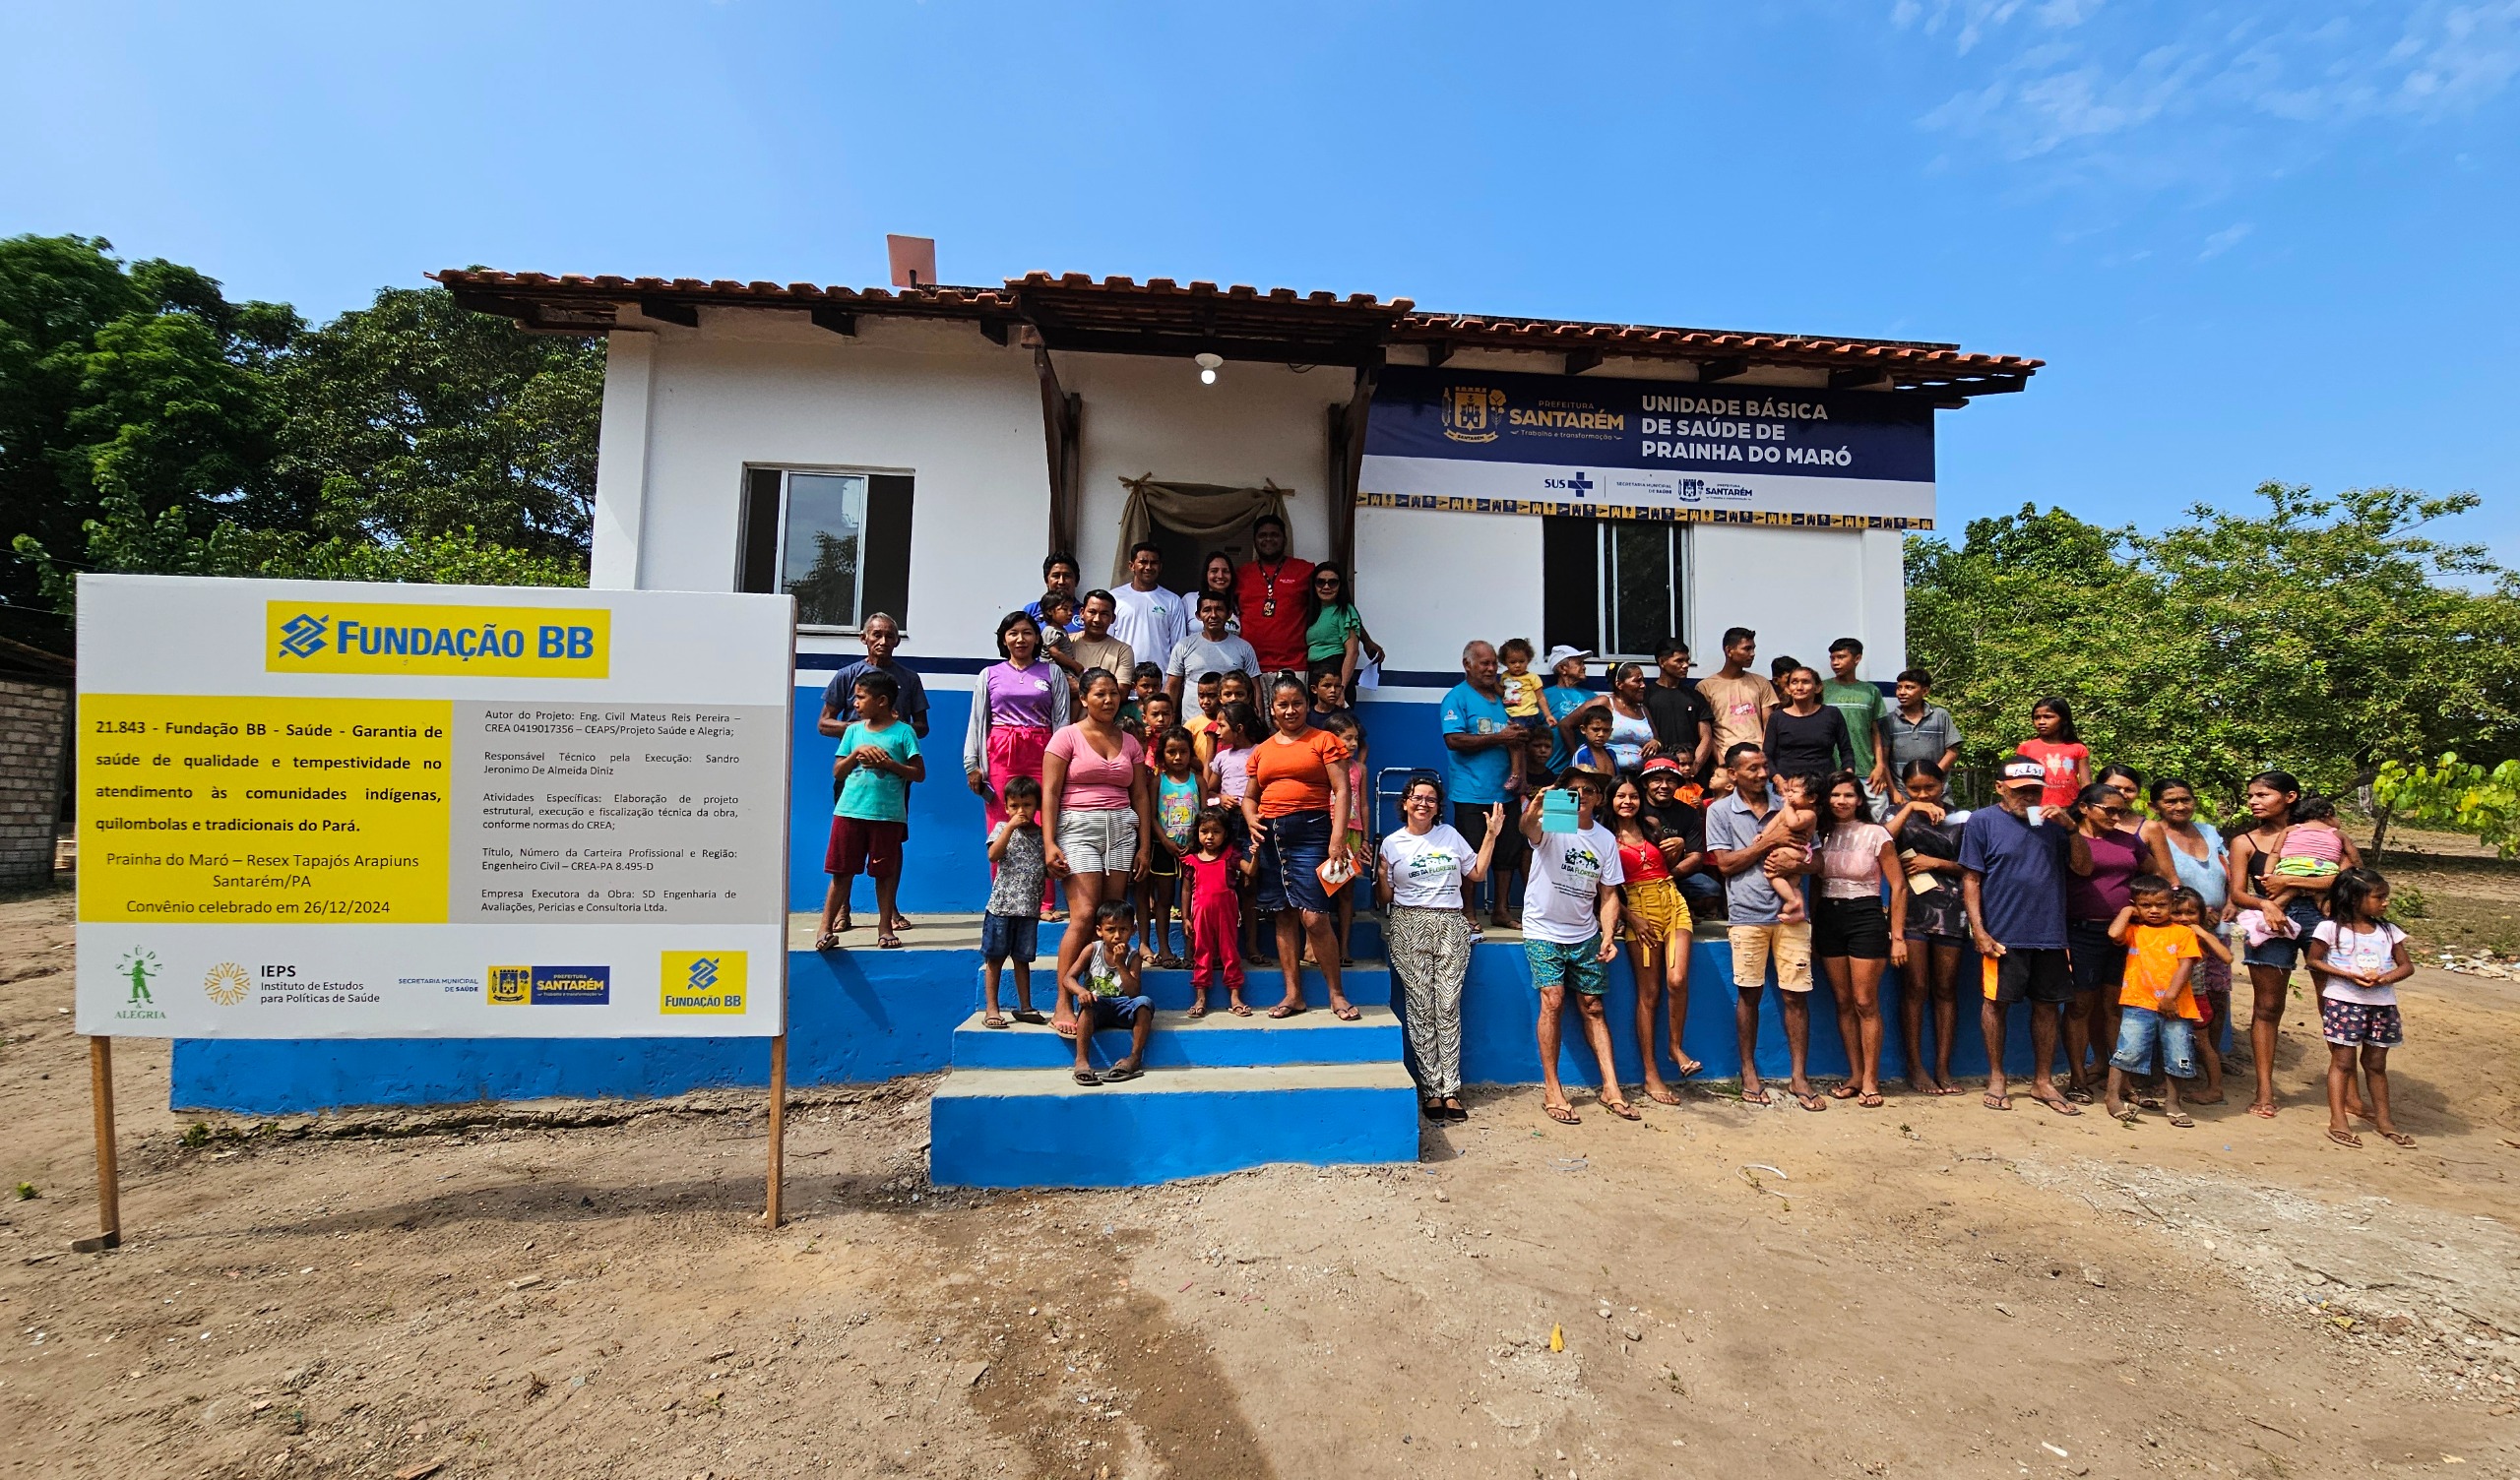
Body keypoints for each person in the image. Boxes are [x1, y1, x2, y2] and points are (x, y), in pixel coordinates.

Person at [1962, 754, 2094, 1116]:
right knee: (1996, 1005)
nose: (2028, 797)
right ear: (2000, 788)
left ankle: (2043, 1081)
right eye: (2019, 790)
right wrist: (1979, 930)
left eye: (2035, 791)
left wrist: (2071, 828)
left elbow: (2083, 868)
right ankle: (1997, 1078)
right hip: (2002, 935)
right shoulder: (1982, 821)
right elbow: (1971, 878)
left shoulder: (2054, 824)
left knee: (2048, 1007)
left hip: (2050, 933)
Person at [2227, 771, 2361, 1119]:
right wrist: (2267, 905)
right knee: (2267, 1007)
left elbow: (2350, 877)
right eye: (2251, 796)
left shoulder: (2325, 835)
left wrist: (2287, 881)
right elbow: (2238, 894)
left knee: (2334, 1004)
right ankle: (2264, 1091)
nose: (2253, 802)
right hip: (2272, 920)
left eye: (2262, 795)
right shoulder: (2245, 842)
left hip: (2322, 920)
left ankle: (2351, 1094)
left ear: (2290, 797)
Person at [1703, 743, 1821, 1110]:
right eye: (1752, 768)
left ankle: (1799, 1076)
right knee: (1749, 995)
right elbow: (1725, 865)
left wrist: (1793, 865)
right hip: (1746, 914)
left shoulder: (1791, 804)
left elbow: (1817, 862)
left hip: (1792, 916)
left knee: (1796, 996)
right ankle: (1748, 1072)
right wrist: (1769, 843)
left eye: (1764, 766)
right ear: (1733, 774)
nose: (1762, 774)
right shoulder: (1719, 811)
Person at [1377, 774, 1501, 1122]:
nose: (1423, 803)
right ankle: (1432, 1089)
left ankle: (1451, 1089)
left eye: (1431, 799)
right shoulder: (1392, 844)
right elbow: (1384, 897)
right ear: (1405, 803)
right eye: (1417, 797)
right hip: (1409, 923)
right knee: (1420, 1006)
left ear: (1438, 806)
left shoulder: (1449, 835)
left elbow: (1477, 873)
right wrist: (1381, 874)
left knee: (1447, 1005)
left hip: (1450, 922)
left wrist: (1491, 835)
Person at [1516, 771, 1635, 1125]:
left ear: (1599, 798)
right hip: (1542, 928)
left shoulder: (1605, 839)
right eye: (1573, 790)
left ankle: (1611, 1087)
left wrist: (1608, 935)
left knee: (1593, 1006)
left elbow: (1609, 893)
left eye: (1588, 790)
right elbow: (1527, 829)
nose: (1581, 795)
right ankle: (1553, 1089)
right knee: (1552, 999)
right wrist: (1536, 807)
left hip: (1585, 932)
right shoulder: (1554, 824)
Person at [1041, 668, 1155, 1038]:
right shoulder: (1066, 737)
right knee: (1085, 914)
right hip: (1078, 829)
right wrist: (1049, 843)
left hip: (1121, 830)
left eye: (1114, 694)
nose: (1108, 700)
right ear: (1084, 698)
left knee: (1112, 915)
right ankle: (1063, 1001)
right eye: (1100, 694)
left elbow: (1140, 796)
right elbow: (1050, 793)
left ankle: (1107, 996)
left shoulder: (1131, 742)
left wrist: (1144, 846)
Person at [1241, 674, 1356, 1019]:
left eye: (1297, 703)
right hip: (1272, 838)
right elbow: (1249, 797)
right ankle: (1294, 995)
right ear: (1272, 709)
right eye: (1283, 705)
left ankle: (1337, 994)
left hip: (1312, 833)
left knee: (1315, 917)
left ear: (1307, 705)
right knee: (1283, 915)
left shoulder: (1324, 740)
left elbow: (1342, 790)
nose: (1290, 710)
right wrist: (1250, 818)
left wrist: (1338, 838)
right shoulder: (1262, 750)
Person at [1809, 771, 1907, 1107]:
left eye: (1848, 795)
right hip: (1829, 917)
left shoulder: (1876, 834)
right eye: (1835, 795)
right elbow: (1816, 886)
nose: (1841, 801)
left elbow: (1898, 886)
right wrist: (1812, 929)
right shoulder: (1819, 834)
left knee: (1865, 1001)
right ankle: (1854, 1074)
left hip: (1866, 916)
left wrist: (1897, 936)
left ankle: (1870, 1080)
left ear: (1860, 800)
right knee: (1843, 1001)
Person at [963, 612, 1072, 914]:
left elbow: (1062, 720)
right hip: (1001, 754)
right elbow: (977, 721)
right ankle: (1003, 902)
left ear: (1037, 638)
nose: (1020, 639)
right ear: (1004, 639)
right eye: (1013, 633)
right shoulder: (989, 675)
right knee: (1003, 824)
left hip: (1043, 751)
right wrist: (972, 764)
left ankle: (1045, 902)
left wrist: (1062, 760)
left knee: (1044, 824)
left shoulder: (1052, 673)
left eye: (1027, 633)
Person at [2305, 867, 2416, 1148]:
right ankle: (2338, 1120)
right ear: (2355, 899)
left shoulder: (2389, 931)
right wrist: (2346, 975)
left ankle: (2385, 1121)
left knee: (2377, 1065)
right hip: (2344, 1002)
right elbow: (2313, 960)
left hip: (2382, 1005)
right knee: (2342, 1062)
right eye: (2379, 897)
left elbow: (2406, 966)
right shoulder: (2330, 929)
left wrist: (2385, 978)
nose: (2385, 903)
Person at [1606, 775, 1700, 1106]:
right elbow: (1606, 888)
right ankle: (1650, 1073)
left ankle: (1675, 1047)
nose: (1627, 802)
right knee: (1649, 994)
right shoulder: (1604, 836)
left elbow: (1665, 867)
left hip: (1672, 902)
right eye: (1620, 796)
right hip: (1638, 908)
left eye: (1633, 796)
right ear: (1611, 800)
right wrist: (1630, 918)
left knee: (1677, 979)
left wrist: (1677, 851)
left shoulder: (1652, 826)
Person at [817, 670, 924, 950]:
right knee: (841, 872)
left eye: (861, 697)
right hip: (849, 812)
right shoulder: (853, 731)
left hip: (887, 815)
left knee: (884, 874)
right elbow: (838, 771)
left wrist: (889, 764)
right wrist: (856, 754)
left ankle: (884, 927)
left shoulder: (904, 732)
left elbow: (918, 773)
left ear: (882, 701)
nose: (855, 703)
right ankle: (824, 928)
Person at [2143, 777, 2232, 1102]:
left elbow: (2227, 871)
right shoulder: (2152, 833)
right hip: (2173, 930)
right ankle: (2163, 1072)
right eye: (2170, 801)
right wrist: (2184, 917)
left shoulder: (2209, 832)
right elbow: (2152, 881)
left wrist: (2229, 902)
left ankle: (2209, 1064)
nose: (2180, 806)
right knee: (2168, 1001)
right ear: (2154, 806)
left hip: (2216, 928)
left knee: (2214, 997)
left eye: (2185, 799)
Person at [1886, 760, 1969, 1095]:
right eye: (1914, 789)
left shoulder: (1962, 818)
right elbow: (1881, 842)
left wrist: (1935, 862)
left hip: (1951, 910)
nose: (1923, 794)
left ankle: (1944, 1067)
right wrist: (1910, 808)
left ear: (1943, 783)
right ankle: (1916, 1067)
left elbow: (1973, 866)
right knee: (1915, 988)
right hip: (1910, 911)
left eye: (1929, 787)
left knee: (1946, 989)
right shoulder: (1895, 814)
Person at [2065, 780, 2149, 1103]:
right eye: (2109, 810)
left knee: (2115, 1007)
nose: (2116, 817)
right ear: (2084, 808)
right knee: (2080, 1006)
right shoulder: (2067, 839)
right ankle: (2077, 1079)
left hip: (2124, 935)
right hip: (2080, 931)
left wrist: (2139, 909)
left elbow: (2154, 877)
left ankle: (2121, 1082)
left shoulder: (2128, 842)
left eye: (2121, 812)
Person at [2101, 874, 2201, 1126]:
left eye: (2161, 905)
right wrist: (2127, 911)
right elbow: (2113, 933)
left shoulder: (2183, 933)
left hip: (2176, 1005)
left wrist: (2170, 997)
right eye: (2145, 905)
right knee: (2127, 1051)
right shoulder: (2135, 930)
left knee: (2178, 1053)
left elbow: (2186, 965)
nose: (2154, 910)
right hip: (2138, 1002)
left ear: (2171, 904)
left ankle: (2173, 1102)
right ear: (2136, 905)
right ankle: (2112, 1097)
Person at [1441, 641, 1526, 937]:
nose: (1491, 669)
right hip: (1472, 793)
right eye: (1484, 664)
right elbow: (1454, 740)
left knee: (1507, 855)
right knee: (1471, 855)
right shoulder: (1457, 698)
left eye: (1494, 663)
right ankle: (1468, 911)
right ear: (1467, 665)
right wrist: (1500, 738)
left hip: (1506, 792)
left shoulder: (1505, 697)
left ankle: (1501, 910)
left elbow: (1520, 730)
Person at [979, 775, 1050, 1029]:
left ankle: (1025, 1006)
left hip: (1029, 910)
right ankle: (992, 1008)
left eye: (1027, 805)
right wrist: (1009, 828)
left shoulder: (1043, 836)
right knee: (995, 958)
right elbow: (993, 855)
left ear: (1037, 805)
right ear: (1007, 807)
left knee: (1023, 959)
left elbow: (1048, 869)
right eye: (1015, 806)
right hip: (1001, 908)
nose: (1021, 811)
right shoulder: (1002, 828)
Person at [1064, 899, 1155, 1086]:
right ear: (1099, 931)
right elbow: (1068, 979)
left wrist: (1120, 963)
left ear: (1133, 930)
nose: (1117, 936)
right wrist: (1081, 991)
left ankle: (1134, 1058)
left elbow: (1133, 992)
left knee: (1145, 1003)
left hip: (1123, 1005)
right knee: (1086, 1007)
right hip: (1098, 1004)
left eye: (1123, 929)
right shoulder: (1092, 950)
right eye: (1111, 930)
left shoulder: (1133, 956)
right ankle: (1081, 1061)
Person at [2240, 794, 2350, 947]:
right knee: (2325, 905)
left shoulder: (2291, 830)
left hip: (2290, 870)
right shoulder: (2337, 835)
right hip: (2322, 872)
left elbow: (2275, 853)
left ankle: (2260, 928)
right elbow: (2350, 867)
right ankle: (2337, 930)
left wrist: (2268, 874)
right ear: (2328, 814)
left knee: (2279, 902)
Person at [1180, 806, 1255, 1018]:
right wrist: (1185, 917)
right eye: (1204, 831)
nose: (1210, 837)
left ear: (1225, 833)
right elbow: (1186, 890)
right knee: (1201, 952)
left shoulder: (1230, 856)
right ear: (1197, 832)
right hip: (1200, 915)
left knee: (1229, 952)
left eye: (1216, 831)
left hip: (1226, 914)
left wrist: (1255, 854)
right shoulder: (1191, 860)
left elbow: (1250, 870)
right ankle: (1200, 997)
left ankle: (1235, 997)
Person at [817, 610, 930, 741]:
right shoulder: (847, 675)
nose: (883, 642)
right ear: (864, 638)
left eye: (889, 636)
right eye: (877, 635)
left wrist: (895, 729)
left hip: (894, 750)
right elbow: (824, 725)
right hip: (856, 750)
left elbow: (922, 727)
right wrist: (862, 728)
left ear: (897, 641)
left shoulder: (910, 678)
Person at [1147, 725, 1207, 969]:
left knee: (1193, 901)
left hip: (1193, 850)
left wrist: (1194, 842)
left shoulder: (1198, 781)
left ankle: (1192, 951)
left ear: (1190, 753)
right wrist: (1165, 841)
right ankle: (1164, 949)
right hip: (1164, 849)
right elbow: (1151, 816)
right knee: (1164, 899)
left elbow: (1204, 816)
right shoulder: (1157, 782)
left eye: (1183, 751)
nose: (1178, 757)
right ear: (1163, 754)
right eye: (1171, 752)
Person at [1638, 756, 1720, 922]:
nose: (1664, 786)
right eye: (1657, 780)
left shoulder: (1688, 813)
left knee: (1710, 890)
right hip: (1636, 873)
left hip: (1673, 875)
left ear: (1677, 784)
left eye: (1671, 781)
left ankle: (1678, 904)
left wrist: (1666, 877)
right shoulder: (1635, 807)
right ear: (1646, 783)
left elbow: (1695, 857)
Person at [1697, 629, 1778, 793]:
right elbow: (1706, 732)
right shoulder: (1706, 687)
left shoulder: (1761, 683)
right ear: (1729, 651)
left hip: (1758, 763)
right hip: (1726, 761)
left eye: (1753, 648)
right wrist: (1721, 763)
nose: (1752, 654)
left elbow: (1769, 726)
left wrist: (1763, 759)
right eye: (1747, 649)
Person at [1233, 514, 1316, 675]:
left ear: (1285, 539)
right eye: (1262, 535)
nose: (1268, 539)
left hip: (1294, 666)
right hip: (1249, 666)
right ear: (1254, 541)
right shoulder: (1240, 574)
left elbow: (1333, 604)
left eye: (1274, 535)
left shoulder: (1306, 570)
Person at [1320, 709, 1370, 966]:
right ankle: (1320, 947)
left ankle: (1344, 947)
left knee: (1346, 891)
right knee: (1321, 890)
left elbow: (1363, 805)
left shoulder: (1360, 768)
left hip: (1351, 834)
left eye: (1355, 739)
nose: (1352, 744)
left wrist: (1364, 838)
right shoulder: (1322, 767)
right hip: (1327, 831)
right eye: (1347, 738)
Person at [1819, 639, 1892, 802]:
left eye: (1841, 657)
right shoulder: (1821, 689)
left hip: (1866, 771)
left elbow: (1876, 732)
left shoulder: (1871, 691)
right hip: (1830, 771)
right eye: (1832, 658)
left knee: (1877, 814)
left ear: (1857, 658)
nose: (1835, 663)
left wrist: (1880, 765)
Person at [1750, 771, 1822, 925]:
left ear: (1811, 798)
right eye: (1788, 791)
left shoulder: (1809, 814)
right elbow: (1773, 823)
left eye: (1794, 792)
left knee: (1771, 873)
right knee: (1793, 884)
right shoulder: (1787, 811)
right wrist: (1763, 835)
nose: (1789, 795)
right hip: (1788, 850)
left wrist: (1787, 807)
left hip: (1797, 851)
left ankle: (1791, 901)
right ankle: (1799, 909)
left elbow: (1793, 824)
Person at [1763, 665, 1856, 783]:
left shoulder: (1832, 714)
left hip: (1824, 784)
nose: (1799, 687)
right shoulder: (1777, 717)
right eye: (1794, 682)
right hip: (1787, 787)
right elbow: (1767, 755)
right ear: (1788, 689)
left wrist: (1848, 774)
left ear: (1818, 687)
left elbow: (1846, 750)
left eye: (1805, 682)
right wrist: (1778, 780)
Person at [1164, 590, 1260, 703]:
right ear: (1198, 615)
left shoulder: (1244, 648)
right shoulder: (1183, 646)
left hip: (1232, 714)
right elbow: (1173, 687)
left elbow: (1255, 689)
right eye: (1207, 610)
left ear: (1229, 614)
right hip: (1192, 714)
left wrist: (1259, 713)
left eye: (1219, 609)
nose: (1213, 615)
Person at [1108, 540, 1188, 675]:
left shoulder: (1173, 601)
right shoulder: (1115, 597)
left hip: (1159, 680)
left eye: (1154, 563)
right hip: (1122, 678)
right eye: (1143, 562)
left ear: (1160, 567)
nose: (1148, 567)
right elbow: (1107, 640)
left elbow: (1178, 647)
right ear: (1131, 566)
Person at [1562, 662, 1656, 773]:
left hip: (1641, 775)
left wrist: (1656, 743)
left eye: (1643, 681)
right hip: (1607, 774)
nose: (1643, 685)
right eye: (1637, 681)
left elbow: (1657, 737)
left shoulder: (1643, 710)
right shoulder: (1605, 702)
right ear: (1619, 684)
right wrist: (1579, 758)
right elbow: (1565, 725)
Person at [1881, 669, 1961, 799]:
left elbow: (1952, 752)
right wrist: (1894, 792)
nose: (1902, 692)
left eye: (1909, 687)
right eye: (1899, 687)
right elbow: (1883, 759)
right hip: (1903, 795)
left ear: (1925, 691)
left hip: (1939, 794)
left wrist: (1931, 778)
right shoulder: (1889, 720)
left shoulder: (1940, 716)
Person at [1642, 639, 1714, 779]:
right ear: (1662, 662)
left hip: (1692, 776)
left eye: (1687, 660)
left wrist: (1694, 767)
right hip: (1659, 773)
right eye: (1679, 661)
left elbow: (1706, 737)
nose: (1686, 665)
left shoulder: (1695, 697)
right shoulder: (1646, 696)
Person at [1303, 559, 1368, 696]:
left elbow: (1352, 652)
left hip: (1335, 676)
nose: (1326, 587)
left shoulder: (1345, 610)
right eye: (1320, 582)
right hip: (1316, 676)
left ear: (1341, 585)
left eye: (1333, 582)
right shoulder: (1312, 612)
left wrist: (1340, 689)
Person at [2018, 697, 2089, 813]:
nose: (2041, 722)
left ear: (2063, 719)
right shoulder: (2026, 748)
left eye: (2048, 717)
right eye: (2037, 718)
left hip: (2069, 810)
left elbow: (2086, 784)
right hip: (2036, 810)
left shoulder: (2078, 748)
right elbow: (2020, 782)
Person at [1537, 646, 1595, 776]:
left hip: (1584, 772)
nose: (1584, 667)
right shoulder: (1544, 697)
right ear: (1563, 668)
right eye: (1579, 663)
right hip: (1552, 772)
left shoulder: (1592, 697)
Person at [1068, 589, 1136, 680]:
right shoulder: (1066, 642)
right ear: (1082, 613)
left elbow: (1122, 687)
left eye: (1104, 614)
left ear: (1113, 618)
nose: (1097, 619)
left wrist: (1075, 686)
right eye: (1092, 612)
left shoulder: (1122, 651)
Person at [1025, 551, 1086, 634]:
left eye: (1067, 576)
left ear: (1076, 581)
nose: (1061, 581)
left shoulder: (1086, 613)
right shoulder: (1032, 610)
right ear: (1046, 581)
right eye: (1056, 576)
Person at [1498, 639, 1544, 730]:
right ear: (1505, 662)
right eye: (1512, 662)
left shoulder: (1532, 677)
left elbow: (1540, 697)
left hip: (1528, 714)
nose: (1517, 665)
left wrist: (1548, 715)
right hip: (1510, 714)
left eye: (1522, 661)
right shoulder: (1504, 676)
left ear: (1528, 660)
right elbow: (1502, 693)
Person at [1183, 671, 1226, 764]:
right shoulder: (1191, 725)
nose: (1206, 701)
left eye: (1212, 696)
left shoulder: (1228, 723)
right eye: (1201, 696)